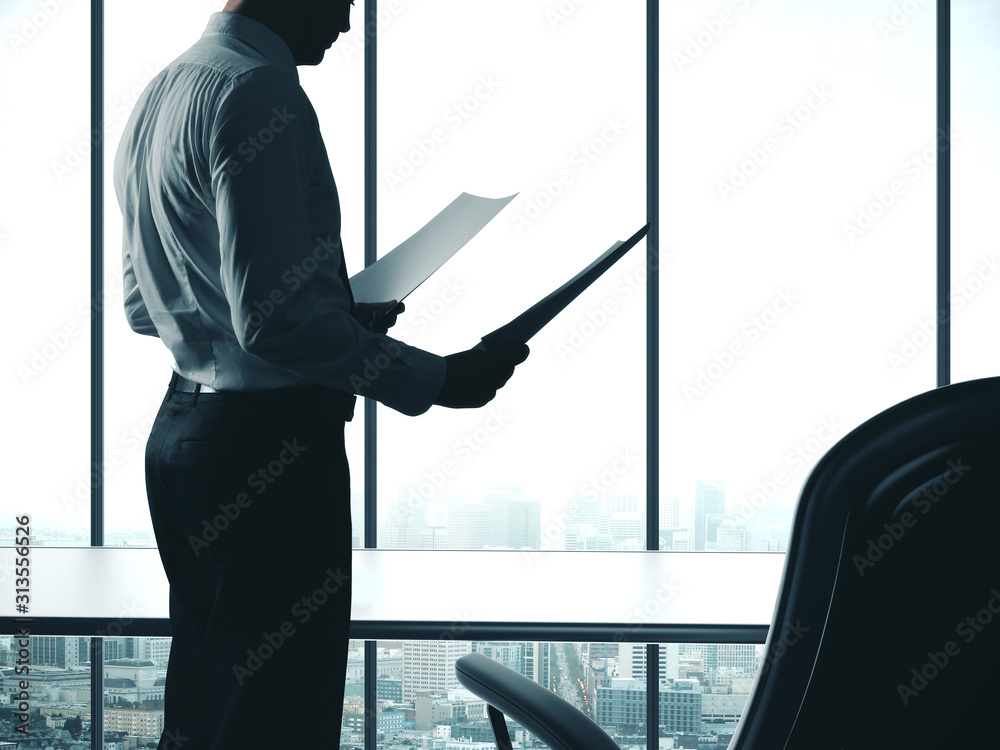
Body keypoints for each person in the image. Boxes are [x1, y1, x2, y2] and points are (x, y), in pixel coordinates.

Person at [112, 1, 529, 748]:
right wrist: (440, 380)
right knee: (278, 714)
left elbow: (146, 307)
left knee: (210, 705)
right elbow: (272, 323)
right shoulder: (259, 93)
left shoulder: (163, 92)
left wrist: (330, 315)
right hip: (267, 451)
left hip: (183, 438)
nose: (345, 22)